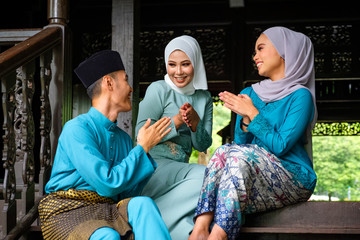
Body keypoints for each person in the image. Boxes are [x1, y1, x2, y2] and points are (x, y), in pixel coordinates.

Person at [188, 26, 318, 240]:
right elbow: (240, 143)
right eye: (254, 51)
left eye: (260, 48)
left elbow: (281, 146)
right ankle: (200, 228)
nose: (254, 56)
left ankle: (218, 235)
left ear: (284, 50)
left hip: (292, 176)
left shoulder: (300, 96)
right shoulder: (249, 93)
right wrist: (246, 120)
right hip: (250, 175)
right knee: (223, 152)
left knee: (237, 155)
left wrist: (252, 113)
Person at [38, 50, 173, 240]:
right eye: (126, 80)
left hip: (106, 210)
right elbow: (107, 184)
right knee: (107, 236)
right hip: (67, 210)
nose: (131, 88)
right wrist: (142, 147)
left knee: (143, 204)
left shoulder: (124, 139)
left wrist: (144, 149)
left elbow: (124, 194)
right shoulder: (77, 128)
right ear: (109, 82)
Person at [135, 35, 213, 240]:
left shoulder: (204, 98)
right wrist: (176, 121)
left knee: (183, 228)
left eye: (185, 64)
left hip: (182, 173)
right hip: (153, 167)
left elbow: (203, 145)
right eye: (172, 64)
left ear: (196, 63)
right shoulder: (159, 89)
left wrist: (195, 123)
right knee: (207, 175)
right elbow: (139, 134)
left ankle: (152, 219)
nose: (178, 72)